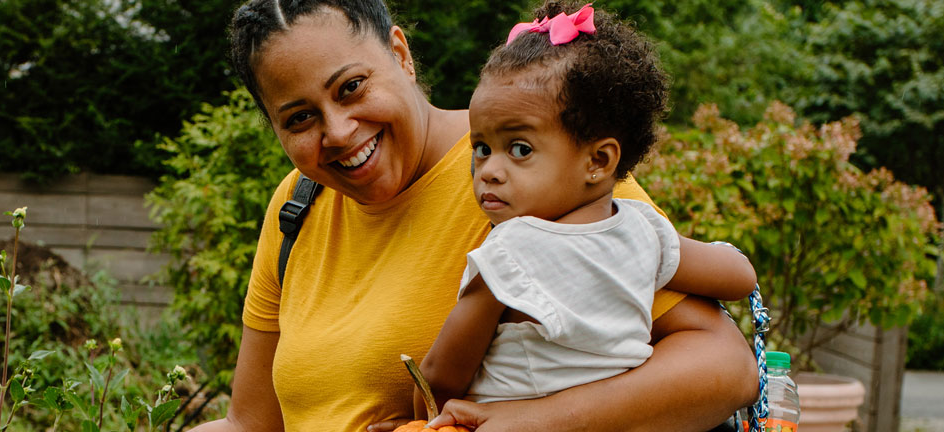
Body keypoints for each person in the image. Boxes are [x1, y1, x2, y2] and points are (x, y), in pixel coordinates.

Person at [189, 1, 759, 431]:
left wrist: (533, 420)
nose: (338, 132)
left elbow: (723, 367)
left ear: (400, 54)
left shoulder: (530, 174)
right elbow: (251, 422)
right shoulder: (299, 202)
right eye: (298, 119)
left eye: (352, 87)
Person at [413, 1, 758, 421]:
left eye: (519, 149)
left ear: (598, 161)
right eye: (482, 149)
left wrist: (414, 419)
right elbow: (740, 278)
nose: (489, 171)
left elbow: (440, 378)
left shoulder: (509, 251)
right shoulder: (641, 229)